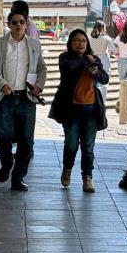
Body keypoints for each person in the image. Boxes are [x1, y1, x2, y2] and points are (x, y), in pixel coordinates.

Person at [0, 10, 47, 192]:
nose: (18, 25)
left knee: (27, 141)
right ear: (9, 24)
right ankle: (6, 162)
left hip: (27, 97)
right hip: (6, 96)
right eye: (14, 22)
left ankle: (18, 177)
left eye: (22, 22)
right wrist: (2, 84)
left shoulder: (34, 44)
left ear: (26, 24)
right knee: (2, 134)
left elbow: (42, 68)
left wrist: (39, 86)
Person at [48, 29, 109, 194]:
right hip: (70, 108)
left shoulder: (94, 60)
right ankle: (67, 169)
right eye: (76, 40)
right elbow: (71, 72)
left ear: (87, 43)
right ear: (71, 43)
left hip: (91, 108)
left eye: (83, 41)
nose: (80, 43)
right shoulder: (65, 58)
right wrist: (88, 62)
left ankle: (87, 177)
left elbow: (105, 78)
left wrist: (95, 69)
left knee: (88, 146)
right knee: (71, 143)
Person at [88, 20, 117, 104]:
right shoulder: (106, 38)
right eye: (104, 27)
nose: (105, 29)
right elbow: (114, 51)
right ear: (102, 28)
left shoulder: (90, 39)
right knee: (104, 84)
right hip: (104, 60)